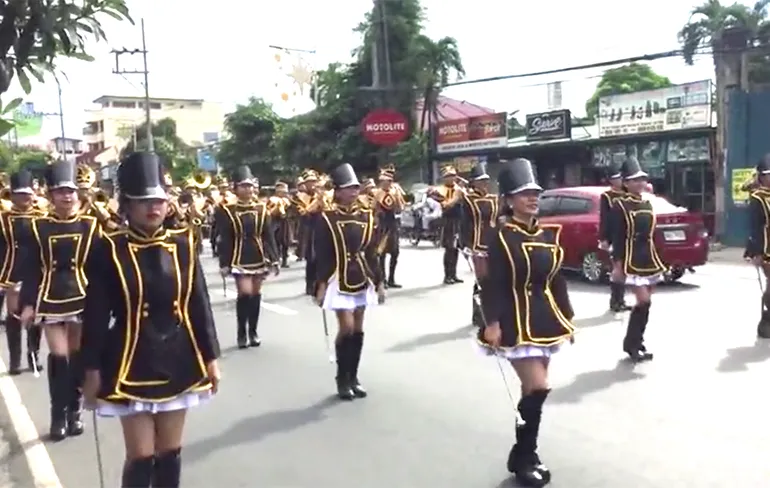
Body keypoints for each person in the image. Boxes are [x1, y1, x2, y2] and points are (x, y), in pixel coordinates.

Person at [80, 152, 221, 487]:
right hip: (131, 359)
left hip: (180, 358)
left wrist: (212, 357)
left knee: (170, 453)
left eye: (158, 199)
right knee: (141, 456)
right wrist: (89, 370)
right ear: (126, 205)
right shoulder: (108, 249)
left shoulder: (184, 244)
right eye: (143, 201)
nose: (153, 207)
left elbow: (198, 304)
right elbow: (96, 317)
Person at [477, 158, 575, 488]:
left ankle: (524, 454)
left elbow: (556, 279)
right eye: (523, 194)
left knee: (531, 392)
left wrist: (568, 317)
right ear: (508, 200)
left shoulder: (547, 234)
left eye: (535, 193)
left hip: (546, 320)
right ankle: (524, 455)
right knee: (539, 387)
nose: (532, 198)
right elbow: (490, 284)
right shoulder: (500, 236)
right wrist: (491, 322)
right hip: (514, 322)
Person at [18, 161, 100, 440]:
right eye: (60, 192)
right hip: (51, 298)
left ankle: (74, 412)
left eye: (71, 191)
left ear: (78, 194)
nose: (67, 196)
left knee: (76, 358)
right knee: (59, 357)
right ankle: (57, 416)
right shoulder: (38, 226)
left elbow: (98, 266)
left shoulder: (90, 225)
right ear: (51, 196)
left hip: (82, 296)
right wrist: (27, 304)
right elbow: (30, 269)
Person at [314, 164, 384, 400]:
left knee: (359, 329)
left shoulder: (367, 215)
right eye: (348, 188)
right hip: (337, 277)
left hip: (361, 275)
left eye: (356, 187)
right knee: (346, 327)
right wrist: (321, 284)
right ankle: (341, 378)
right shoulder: (327, 218)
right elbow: (322, 254)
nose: (354, 192)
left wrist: (380, 281)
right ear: (338, 191)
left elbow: (372, 251)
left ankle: (354, 376)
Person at [609, 157, 667, 362]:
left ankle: (636, 342)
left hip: (648, 256)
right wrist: (617, 264)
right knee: (643, 300)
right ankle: (632, 344)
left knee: (645, 304)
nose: (640, 183)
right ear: (625, 183)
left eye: (642, 179)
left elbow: (653, 232)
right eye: (634, 180)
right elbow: (617, 236)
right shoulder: (619, 205)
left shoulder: (648, 203)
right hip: (630, 257)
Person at [216, 166, 279, 349]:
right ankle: (241, 332)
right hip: (238, 255)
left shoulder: (262, 208)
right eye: (243, 186)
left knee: (255, 294)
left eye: (250, 186)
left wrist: (274, 259)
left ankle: (253, 331)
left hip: (258, 254)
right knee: (244, 293)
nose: (248, 189)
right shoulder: (228, 211)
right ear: (235, 188)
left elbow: (268, 235)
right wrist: (224, 263)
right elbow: (225, 238)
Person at [0, 170, 45, 376]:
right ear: (12, 195)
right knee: (14, 315)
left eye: (27, 193)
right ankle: (15, 360)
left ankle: (33, 355)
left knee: (35, 316)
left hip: (36, 271)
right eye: (19, 194)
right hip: (12, 270)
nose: (24, 198)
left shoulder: (42, 217)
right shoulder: (3, 218)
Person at [458, 163, 499, 327]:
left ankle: (488, 313)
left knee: (494, 280)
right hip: (476, 245)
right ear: (473, 182)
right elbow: (464, 224)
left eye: (486, 181)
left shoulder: (494, 199)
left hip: (494, 245)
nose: (484, 184)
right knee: (482, 281)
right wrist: (464, 244)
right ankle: (480, 315)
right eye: (481, 181)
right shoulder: (468, 200)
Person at [598, 163, 630, 312]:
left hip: (627, 234)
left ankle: (621, 299)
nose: (618, 181)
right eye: (615, 178)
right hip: (613, 235)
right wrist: (603, 238)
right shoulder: (607, 196)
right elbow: (604, 217)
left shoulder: (628, 193)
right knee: (617, 268)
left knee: (623, 269)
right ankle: (615, 300)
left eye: (619, 178)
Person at [744, 154, 770, 338]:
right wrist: (757, 253)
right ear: (761, 177)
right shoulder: (758, 198)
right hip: (766, 248)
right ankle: (765, 322)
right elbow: (755, 226)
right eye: (769, 175)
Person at [430, 165, 464, 284]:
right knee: (449, 248)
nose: (451, 178)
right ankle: (447, 275)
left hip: (458, 221)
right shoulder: (439, 190)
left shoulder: (459, 189)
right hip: (448, 221)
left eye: (453, 176)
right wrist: (456, 198)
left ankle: (454, 274)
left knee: (456, 249)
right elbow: (446, 205)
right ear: (444, 178)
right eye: (448, 176)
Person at [373, 165, 405, 288]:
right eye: (385, 181)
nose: (388, 183)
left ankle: (392, 278)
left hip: (392, 223)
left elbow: (400, 208)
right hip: (382, 224)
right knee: (381, 253)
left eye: (390, 181)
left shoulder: (395, 192)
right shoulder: (377, 193)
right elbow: (373, 208)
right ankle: (382, 279)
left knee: (395, 252)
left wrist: (398, 198)